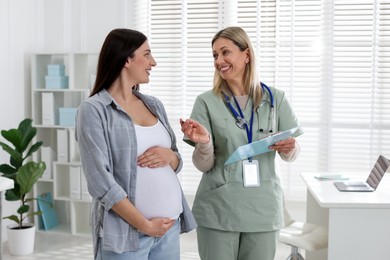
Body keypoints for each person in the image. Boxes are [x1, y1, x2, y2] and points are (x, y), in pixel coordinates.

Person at [180, 26, 303, 260]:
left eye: (225, 52)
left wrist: (291, 147)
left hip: (263, 208)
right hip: (219, 207)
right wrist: (204, 143)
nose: (219, 60)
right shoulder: (206, 102)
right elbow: (203, 165)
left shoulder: (276, 99)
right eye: (215, 55)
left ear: (246, 55)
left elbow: (291, 152)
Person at [75, 28, 196, 260]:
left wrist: (170, 157)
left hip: (168, 230)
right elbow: (100, 182)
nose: (154, 62)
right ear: (127, 59)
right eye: (147, 54)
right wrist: (145, 225)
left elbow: (176, 161)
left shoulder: (153, 104)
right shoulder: (93, 110)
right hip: (126, 235)